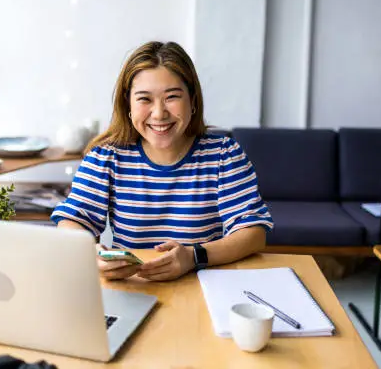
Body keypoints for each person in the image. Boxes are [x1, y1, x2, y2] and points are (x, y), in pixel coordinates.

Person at [51, 41, 273, 281]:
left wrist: (192, 256)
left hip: (204, 287)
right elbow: (72, 220)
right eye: (144, 99)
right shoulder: (106, 157)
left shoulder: (224, 155)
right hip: (132, 286)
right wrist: (91, 254)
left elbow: (253, 232)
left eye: (172, 97)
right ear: (128, 105)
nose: (158, 114)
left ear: (193, 101)